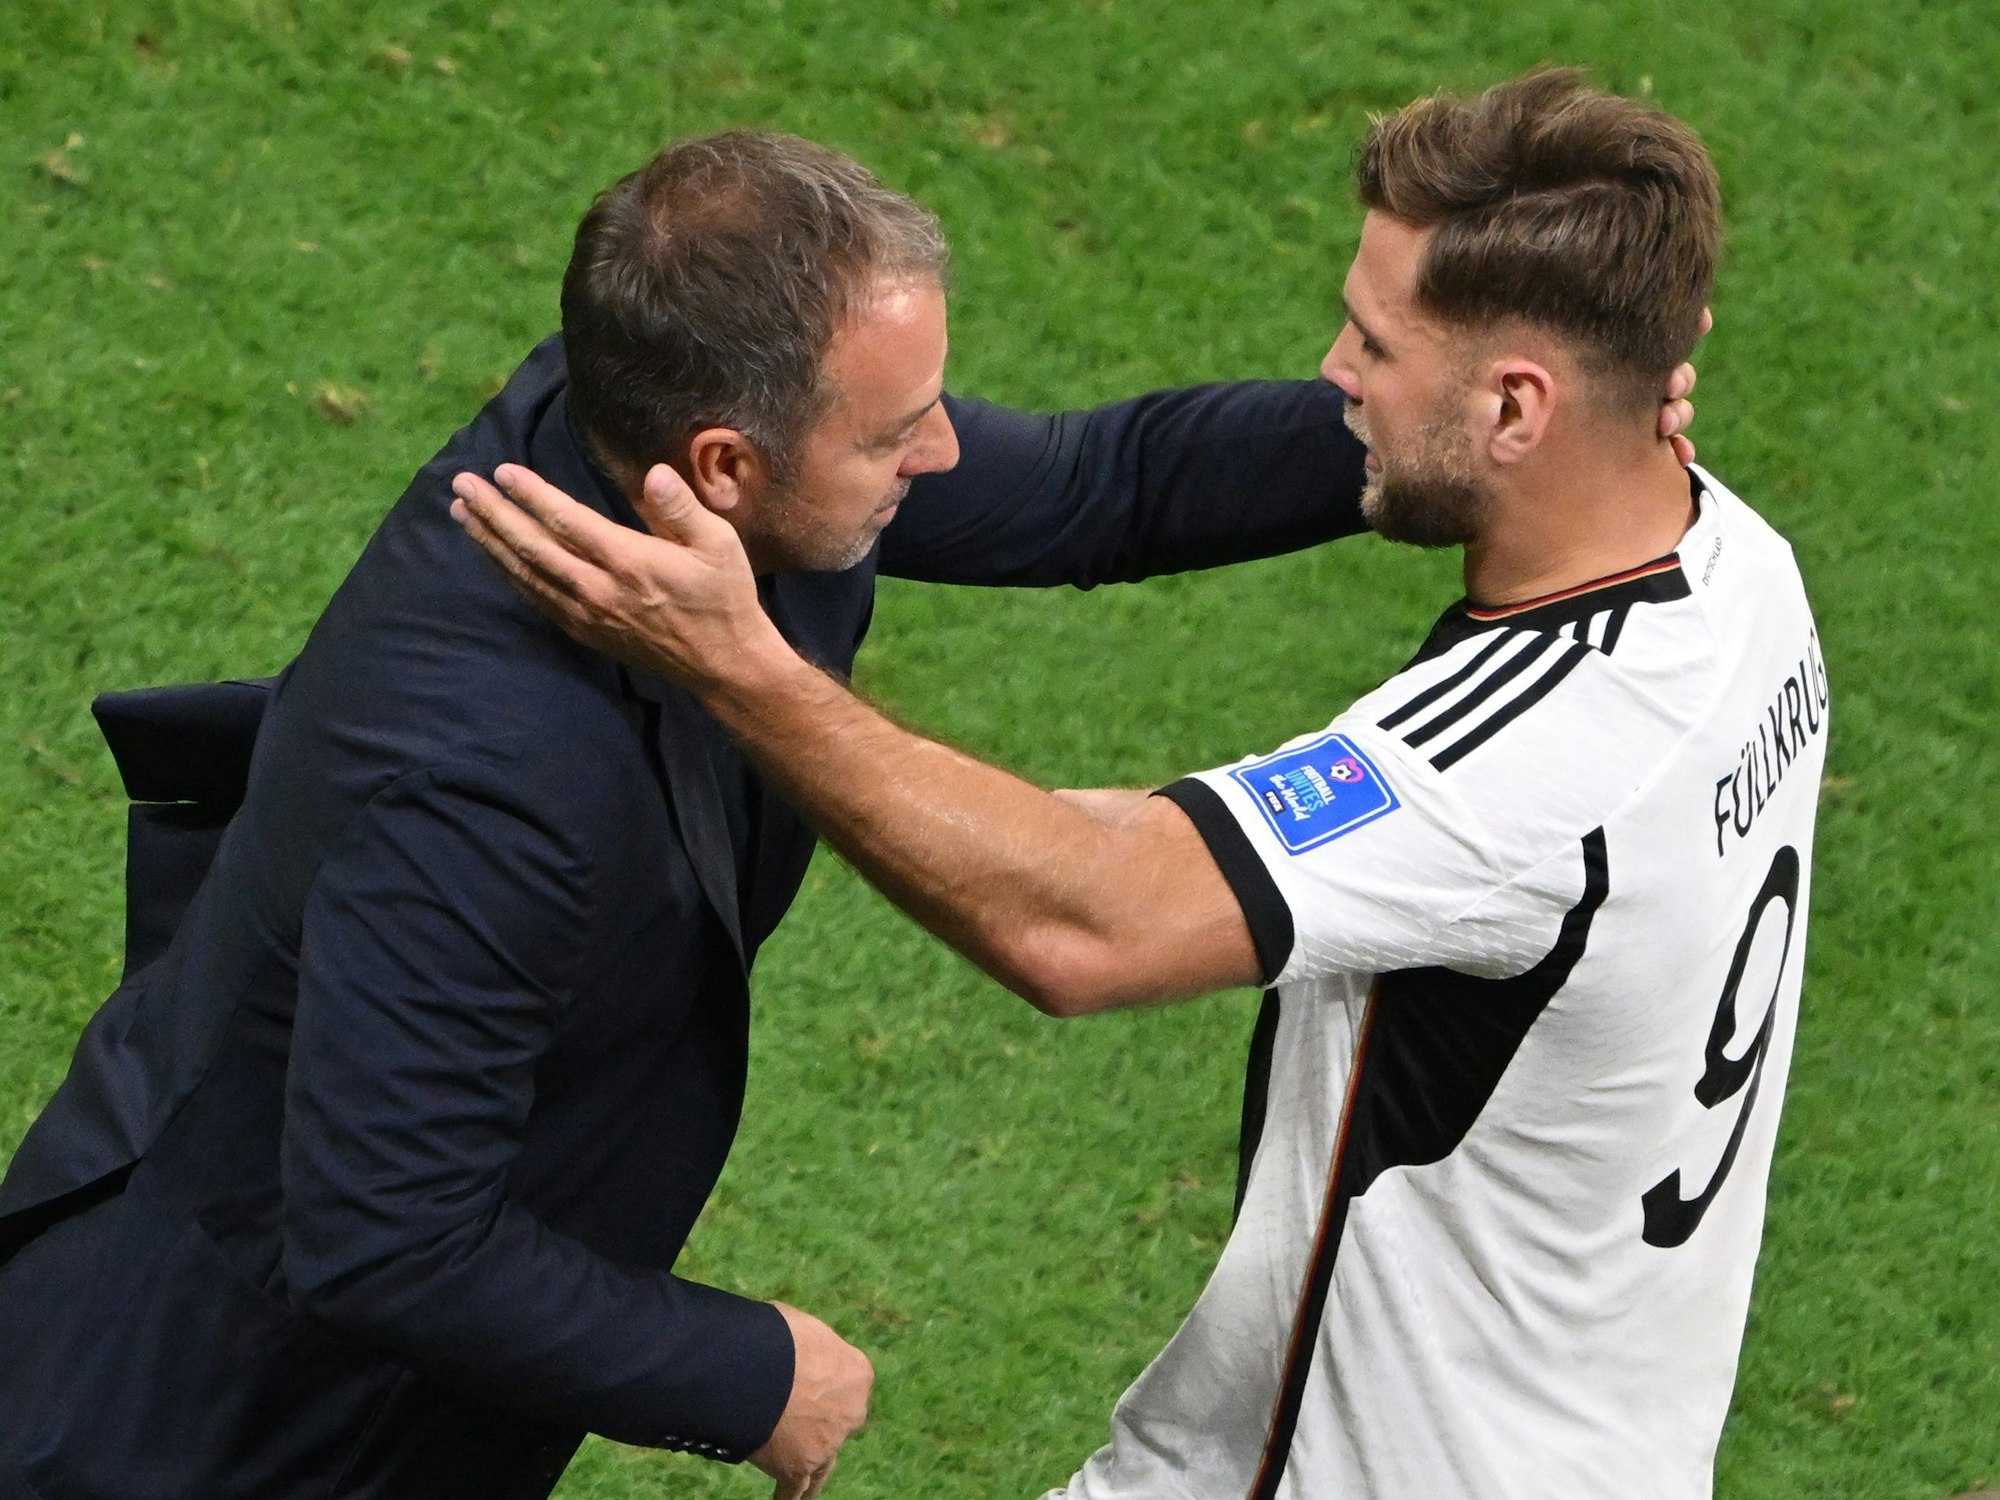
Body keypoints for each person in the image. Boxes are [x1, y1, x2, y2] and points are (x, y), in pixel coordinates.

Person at [0, 127, 1627, 1499]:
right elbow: (389, 1240)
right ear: (721, 465)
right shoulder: (483, 775)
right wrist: (752, 1372)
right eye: (898, 430)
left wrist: (1484, 439)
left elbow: (1098, 486)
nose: (943, 453)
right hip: (195, 1422)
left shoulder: (677, 437)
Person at [454, 70, 1812, 1500]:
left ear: (1518, 407)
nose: (1338, 374)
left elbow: (1088, 927)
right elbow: (1206, 854)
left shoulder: (1523, 762)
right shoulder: (1744, 583)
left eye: (1374, 343)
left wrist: (742, 668)